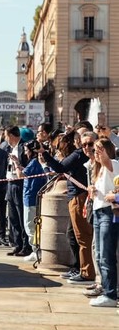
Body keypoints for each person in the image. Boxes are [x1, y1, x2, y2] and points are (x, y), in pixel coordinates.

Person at [40, 129, 95, 284]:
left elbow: (60, 167)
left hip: (80, 197)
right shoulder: (81, 155)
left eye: (89, 143)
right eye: (83, 143)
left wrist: (44, 154)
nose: (85, 147)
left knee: (82, 237)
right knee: (73, 235)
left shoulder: (79, 155)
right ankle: (79, 268)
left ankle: (86, 272)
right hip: (75, 196)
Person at [87, 137, 119, 307]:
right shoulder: (98, 170)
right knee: (99, 254)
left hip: (108, 212)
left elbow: (108, 162)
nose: (96, 152)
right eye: (95, 149)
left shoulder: (113, 163)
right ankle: (107, 290)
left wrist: (102, 152)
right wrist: (93, 189)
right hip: (98, 212)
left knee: (107, 255)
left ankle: (111, 294)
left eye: (100, 149)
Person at [14, 140, 46, 262]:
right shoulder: (35, 162)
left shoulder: (34, 161)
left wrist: (16, 163)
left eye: (27, 150)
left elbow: (20, 175)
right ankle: (36, 250)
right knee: (32, 226)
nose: (26, 153)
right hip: (31, 197)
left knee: (30, 226)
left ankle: (36, 251)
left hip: (31, 198)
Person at [4, 126, 31, 256]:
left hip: (19, 184)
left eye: (6, 136)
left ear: (11, 135)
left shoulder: (23, 147)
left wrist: (18, 163)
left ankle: (26, 245)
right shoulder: (10, 149)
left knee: (21, 215)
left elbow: (27, 166)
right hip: (10, 183)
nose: (5, 139)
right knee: (13, 216)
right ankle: (17, 244)